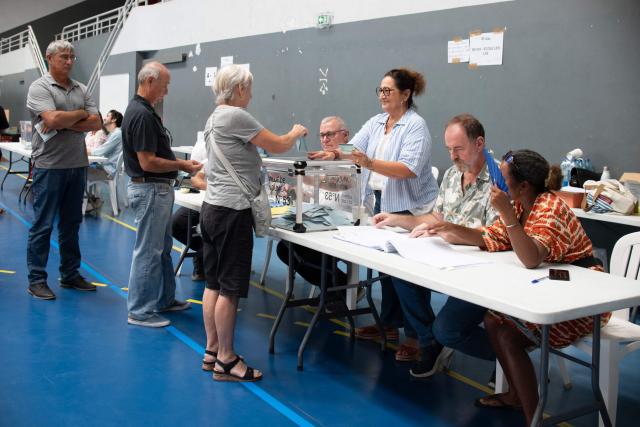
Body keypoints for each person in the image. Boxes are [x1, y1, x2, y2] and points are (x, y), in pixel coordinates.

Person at [427, 149, 610, 425]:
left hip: (581, 300)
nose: (496, 186)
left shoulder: (550, 208)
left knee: (509, 335)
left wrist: (506, 215)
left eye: (503, 180)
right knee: (492, 320)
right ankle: (514, 395)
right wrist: (447, 228)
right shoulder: (520, 204)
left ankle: (532, 417)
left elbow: (530, 258)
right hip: (551, 289)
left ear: (523, 186)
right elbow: (493, 237)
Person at [201, 64, 307, 382]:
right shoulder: (236, 116)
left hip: (212, 208)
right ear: (240, 90)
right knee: (230, 289)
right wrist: (296, 132)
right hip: (232, 211)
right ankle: (226, 360)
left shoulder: (214, 118)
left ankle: (211, 350)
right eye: (249, 88)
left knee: (213, 284)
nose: (251, 94)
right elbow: (278, 144)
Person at [373, 113, 498, 374]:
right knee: (397, 267)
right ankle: (429, 341)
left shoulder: (499, 179)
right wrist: (397, 219)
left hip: (480, 270)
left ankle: (509, 360)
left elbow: (496, 236)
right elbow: (436, 218)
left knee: (448, 330)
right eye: (449, 149)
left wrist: (453, 231)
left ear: (479, 143)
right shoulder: (453, 175)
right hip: (445, 259)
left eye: (458, 149)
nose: (452, 156)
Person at [348, 68, 439, 361]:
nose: (383, 96)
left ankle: (419, 336)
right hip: (381, 201)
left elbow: (408, 168)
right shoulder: (377, 122)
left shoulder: (416, 126)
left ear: (406, 94)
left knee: (408, 276)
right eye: (380, 90)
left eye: (389, 90)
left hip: (410, 207)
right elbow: (354, 148)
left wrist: (371, 163)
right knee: (386, 270)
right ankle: (388, 324)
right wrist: (333, 154)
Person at [122, 62, 202, 328]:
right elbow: (148, 162)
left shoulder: (143, 111)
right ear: (150, 81)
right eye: (165, 85)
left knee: (163, 249)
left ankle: (164, 298)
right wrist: (182, 165)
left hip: (156, 188)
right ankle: (140, 311)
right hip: (150, 189)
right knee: (149, 251)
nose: (166, 91)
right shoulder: (142, 115)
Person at [25, 40, 102, 300]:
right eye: (63, 57)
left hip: (77, 165)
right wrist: (77, 116)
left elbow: (97, 122)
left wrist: (66, 119)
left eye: (72, 57)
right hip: (49, 167)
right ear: (50, 58)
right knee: (43, 224)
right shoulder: (40, 87)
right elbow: (51, 119)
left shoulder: (81, 89)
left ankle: (70, 275)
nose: (69, 61)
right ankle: (36, 279)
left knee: (72, 223)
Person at [275, 116, 352, 305]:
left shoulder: (352, 152)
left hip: (346, 223)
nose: (325, 140)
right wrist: (293, 190)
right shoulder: (320, 159)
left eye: (330, 134)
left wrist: (311, 181)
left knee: (304, 251)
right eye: (322, 135)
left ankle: (343, 287)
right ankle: (335, 286)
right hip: (320, 219)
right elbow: (309, 193)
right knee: (285, 249)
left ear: (345, 135)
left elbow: (342, 180)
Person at [171, 135, 209, 281]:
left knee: (208, 225)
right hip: (202, 202)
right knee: (176, 224)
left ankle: (203, 264)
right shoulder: (211, 150)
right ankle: (206, 254)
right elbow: (196, 178)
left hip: (221, 204)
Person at [87, 109, 123, 181]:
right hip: (106, 167)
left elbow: (101, 152)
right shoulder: (112, 134)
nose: (104, 118)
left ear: (114, 119)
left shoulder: (117, 134)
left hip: (109, 170)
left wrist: (86, 151)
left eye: (107, 116)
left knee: (79, 171)